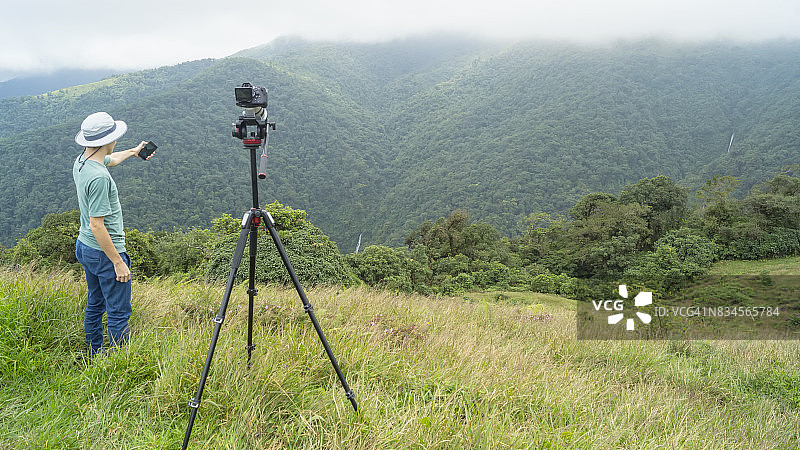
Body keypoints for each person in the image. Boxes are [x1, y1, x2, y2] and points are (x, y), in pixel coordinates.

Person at [72, 111, 154, 356]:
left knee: (95, 303)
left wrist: (132, 151)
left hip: (85, 246)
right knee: (118, 312)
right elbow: (97, 225)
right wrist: (118, 262)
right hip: (105, 252)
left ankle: (94, 355)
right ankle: (120, 366)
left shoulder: (82, 162)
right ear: (107, 141)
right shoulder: (99, 179)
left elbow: (111, 159)